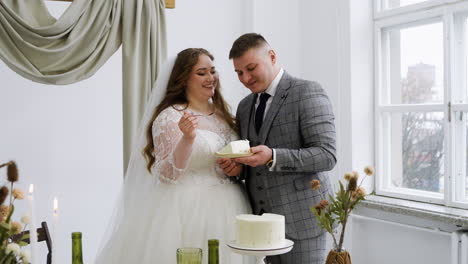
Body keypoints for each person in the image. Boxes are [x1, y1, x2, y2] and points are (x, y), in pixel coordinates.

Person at [95, 48, 252, 264]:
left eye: (213, 71)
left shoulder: (224, 113)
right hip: (186, 209)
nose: (211, 78)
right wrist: (187, 139)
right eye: (202, 72)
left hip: (231, 205)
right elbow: (168, 175)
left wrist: (237, 167)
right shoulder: (170, 117)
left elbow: (239, 156)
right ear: (184, 79)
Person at [218, 33, 337, 264]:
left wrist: (273, 156)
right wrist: (237, 169)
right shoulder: (244, 106)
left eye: (251, 68)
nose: (245, 78)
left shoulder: (307, 92)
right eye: (239, 72)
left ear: (272, 56)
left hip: (304, 222)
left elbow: (327, 155)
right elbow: (253, 164)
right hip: (262, 227)